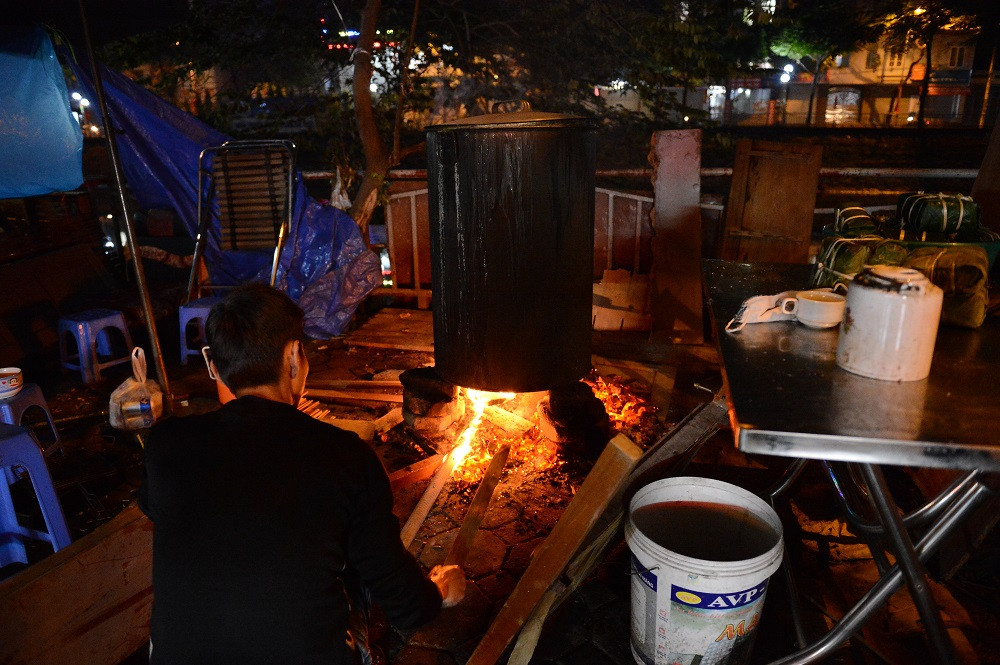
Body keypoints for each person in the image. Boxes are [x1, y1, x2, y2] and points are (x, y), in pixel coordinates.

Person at [138, 283, 464, 664]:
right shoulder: (343, 455)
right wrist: (440, 592)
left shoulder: (165, 445)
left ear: (213, 365)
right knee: (351, 569)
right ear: (294, 356)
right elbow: (405, 603)